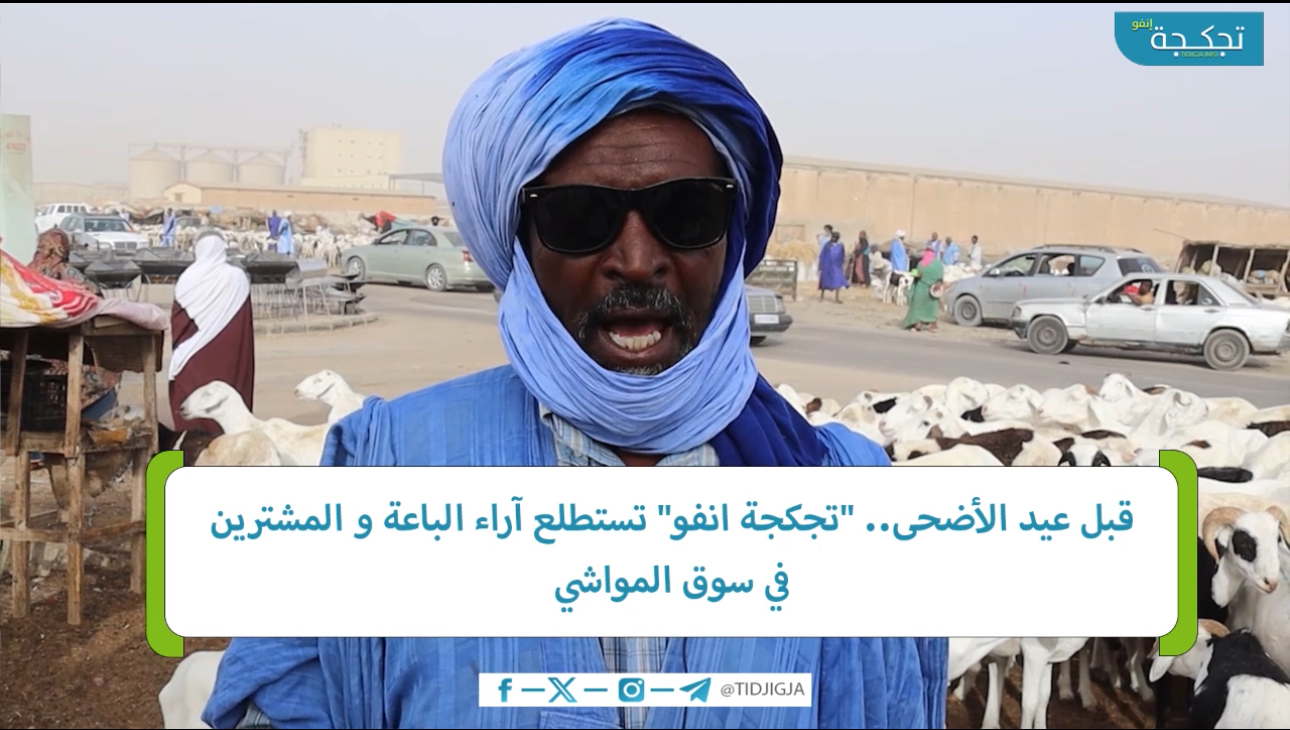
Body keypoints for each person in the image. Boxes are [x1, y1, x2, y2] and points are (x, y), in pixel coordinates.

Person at [202, 18, 947, 730]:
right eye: (579, 217)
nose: (637, 260)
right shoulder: (387, 468)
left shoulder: (846, 493)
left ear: (733, 234)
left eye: (687, 211)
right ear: (521, 244)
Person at [24, 229, 121, 467]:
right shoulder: (71, 276)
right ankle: (82, 439)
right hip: (62, 358)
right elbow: (97, 303)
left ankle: (36, 451)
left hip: (27, 358)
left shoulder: (26, 275)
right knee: (103, 375)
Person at [168, 231, 255, 437]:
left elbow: (179, 322)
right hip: (231, 355)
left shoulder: (188, 278)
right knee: (227, 397)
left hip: (192, 354)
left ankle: (194, 448)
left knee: (192, 398)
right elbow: (243, 323)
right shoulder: (238, 277)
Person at [900, 242, 945, 333]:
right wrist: (938, 284)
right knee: (931, 307)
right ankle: (932, 324)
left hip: (921, 288)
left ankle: (918, 324)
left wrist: (915, 274)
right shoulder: (938, 264)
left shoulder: (921, 263)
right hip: (933, 289)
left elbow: (916, 274)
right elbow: (940, 277)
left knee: (918, 307)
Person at [818, 230, 848, 302]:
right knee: (825, 281)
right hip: (827, 266)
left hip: (836, 266)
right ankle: (822, 296)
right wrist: (821, 265)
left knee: (838, 281)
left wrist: (842, 263)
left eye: (835, 237)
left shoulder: (840, 245)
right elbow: (822, 255)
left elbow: (842, 255)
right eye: (833, 237)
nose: (833, 239)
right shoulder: (827, 245)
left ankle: (837, 298)